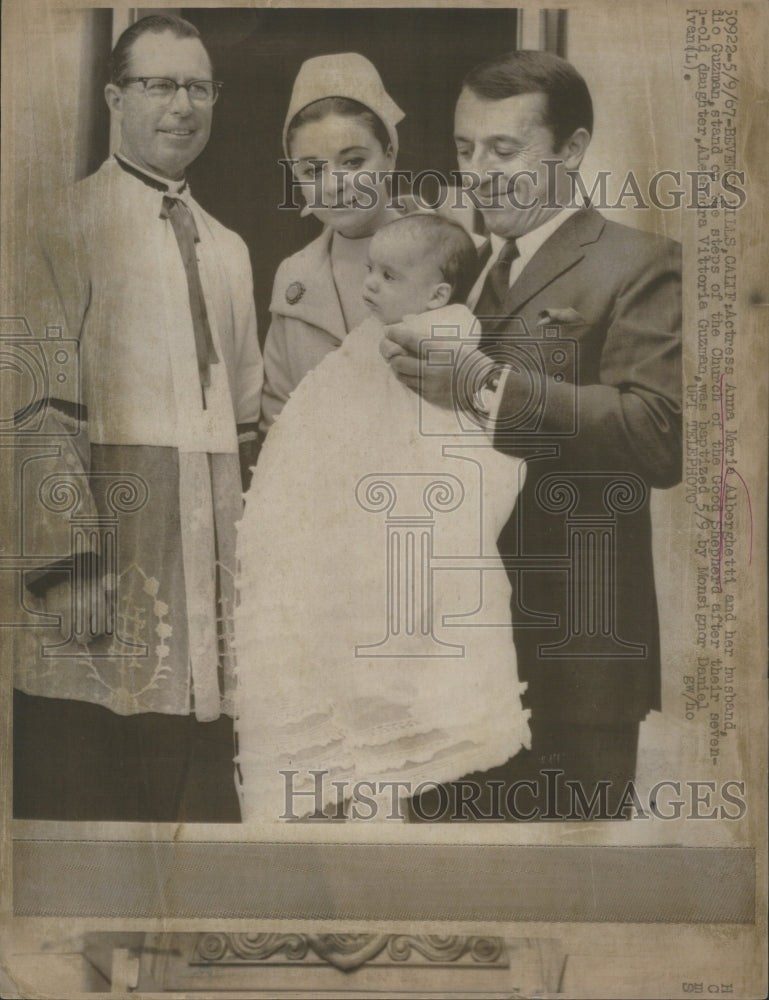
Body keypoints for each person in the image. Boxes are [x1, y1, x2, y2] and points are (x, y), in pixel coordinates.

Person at [382, 50, 682, 821]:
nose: (478, 172)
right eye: (463, 149)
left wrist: (486, 385)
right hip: (453, 666)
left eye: (503, 150)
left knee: (560, 913)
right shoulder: (466, 268)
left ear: (571, 150)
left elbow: (655, 435)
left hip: (574, 666)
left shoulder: (639, 262)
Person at [13, 14, 263, 822]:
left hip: (209, 549)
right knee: (89, 778)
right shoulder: (57, 223)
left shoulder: (228, 247)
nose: (182, 105)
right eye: (160, 84)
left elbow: (245, 419)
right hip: (104, 551)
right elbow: (31, 403)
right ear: (116, 96)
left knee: (194, 778)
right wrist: (66, 560)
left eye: (198, 87)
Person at [234, 213, 529, 823]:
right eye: (369, 269)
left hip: (403, 541)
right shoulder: (378, 335)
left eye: (387, 275)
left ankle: (375, 813)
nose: (370, 284)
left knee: (387, 691)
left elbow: (449, 447)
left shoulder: (435, 342)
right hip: (356, 540)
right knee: (346, 683)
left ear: (437, 295)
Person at [260, 52, 416, 430]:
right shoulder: (293, 275)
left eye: (353, 162)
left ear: (389, 157)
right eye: (312, 169)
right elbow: (277, 415)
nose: (334, 184)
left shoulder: (459, 255)